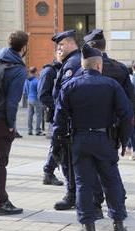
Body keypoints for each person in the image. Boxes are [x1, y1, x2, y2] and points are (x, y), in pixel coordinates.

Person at [52, 44, 132, 231]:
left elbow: (59, 119)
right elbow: (126, 114)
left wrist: (57, 144)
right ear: (99, 66)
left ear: (83, 65)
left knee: (83, 184)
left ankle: (88, 229)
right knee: (111, 181)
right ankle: (119, 227)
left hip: (79, 140)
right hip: (105, 139)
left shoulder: (69, 86)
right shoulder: (112, 85)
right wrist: (122, 140)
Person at [83, 29, 133, 213]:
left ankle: (99, 202)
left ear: (92, 47)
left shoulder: (86, 68)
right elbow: (129, 101)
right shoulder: (120, 68)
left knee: (94, 169)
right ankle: (118, 200)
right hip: (113, 128)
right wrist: (124, 135)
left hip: (89, 128)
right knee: (110, 168)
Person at [0, 30, 29, 215]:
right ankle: (1, 203)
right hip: (0, 120)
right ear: (24, 47)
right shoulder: (18, 69)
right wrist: (12, 124)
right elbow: (13, 101)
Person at [51, 30, 82, 210]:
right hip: (68, 120)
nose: (59, 49)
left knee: (68, 160)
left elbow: (66, 95)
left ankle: (73, 195)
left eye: (62, 45)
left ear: (71, 44)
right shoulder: (70, 62)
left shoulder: (73, 63)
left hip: (70, 122)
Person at [37, 51, 64, 186]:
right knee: (57, 143)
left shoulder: (66, 68)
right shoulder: (49, 71)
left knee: (61, 143)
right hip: (56, 114)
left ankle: (50, 172)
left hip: (65, 114)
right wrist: (59, 106)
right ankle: (48, 172)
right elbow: (43, 95)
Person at [23, 67, 44, 136]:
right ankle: (37, 130)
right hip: (36, 99)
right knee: (38, 115)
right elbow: (40, 91)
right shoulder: (37, 81)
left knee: (29, 115)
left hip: (29, 99)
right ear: (35, 72)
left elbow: (25, 91)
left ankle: (29, 130)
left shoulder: (27, 81)